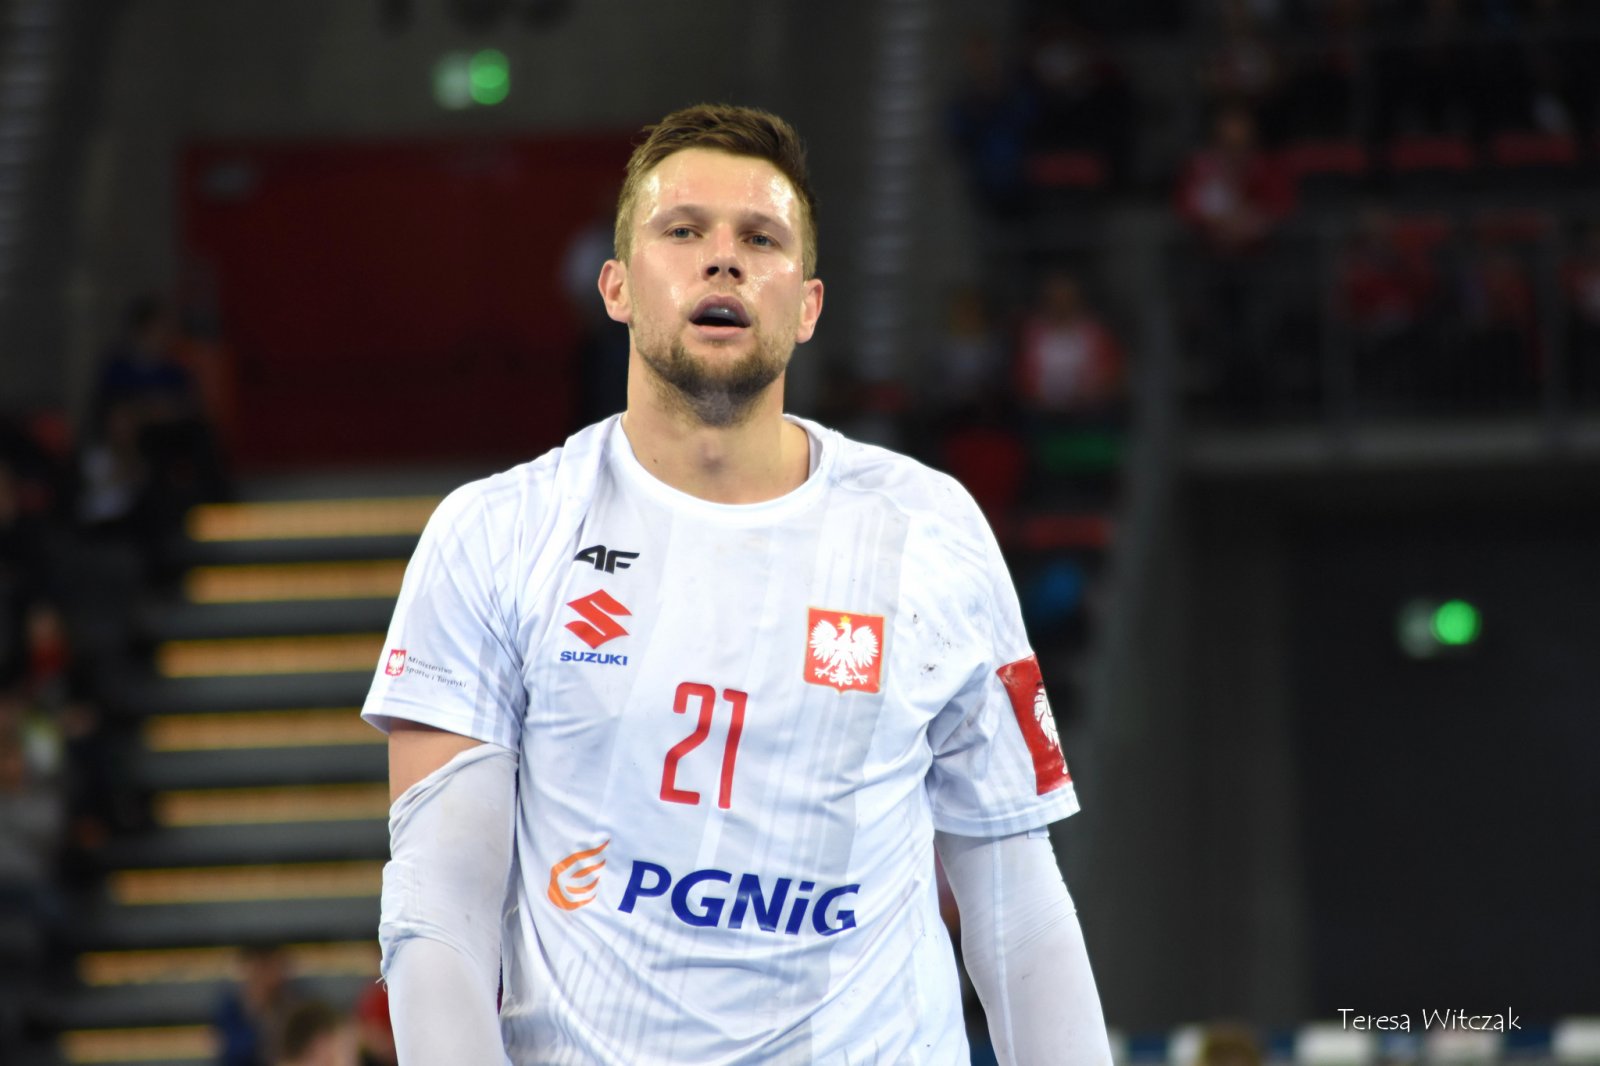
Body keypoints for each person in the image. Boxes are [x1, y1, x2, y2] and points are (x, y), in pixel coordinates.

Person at [364, 103, 1110, 1065]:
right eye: (683, 232)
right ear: (617, 286)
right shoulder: (495, 535)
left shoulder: (930, 530)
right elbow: (440, 915)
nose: (723, 260)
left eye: (761, 239)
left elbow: (1017, 902)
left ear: (808, 305)